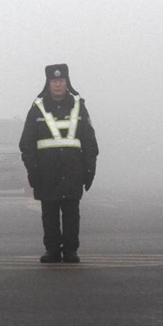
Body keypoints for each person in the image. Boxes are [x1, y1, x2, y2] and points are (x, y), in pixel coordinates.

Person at [19, 64, 99, 263]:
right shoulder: (36, 109)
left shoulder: (79, 107)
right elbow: (26, 145)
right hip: (47, 174)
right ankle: (52, 251)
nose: (57, 85)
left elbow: (90, 142)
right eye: (54, 81)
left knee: (72, 214)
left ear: (67, 82)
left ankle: (71, 251)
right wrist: (33, 171)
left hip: (73, 172)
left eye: (61, 81)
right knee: (50, 215)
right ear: (48, 83)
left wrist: (90, 170)